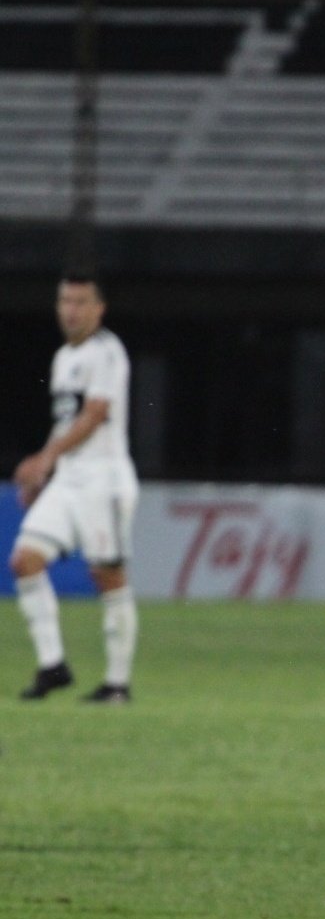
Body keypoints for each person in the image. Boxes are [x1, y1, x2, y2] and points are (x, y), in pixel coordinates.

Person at [10, 274, 139, 703]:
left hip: (104, 478)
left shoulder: (107, 351)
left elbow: (95, 415)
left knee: (108, 575)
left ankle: (117, 684)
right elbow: (67, 423)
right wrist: (44, 472)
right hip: (68, 479)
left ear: (98, 309)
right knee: (25, 559)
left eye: (81, 302)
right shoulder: (64, 357)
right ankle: (53, 666)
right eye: (65, 300)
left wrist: (45, 458)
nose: (71, 310)